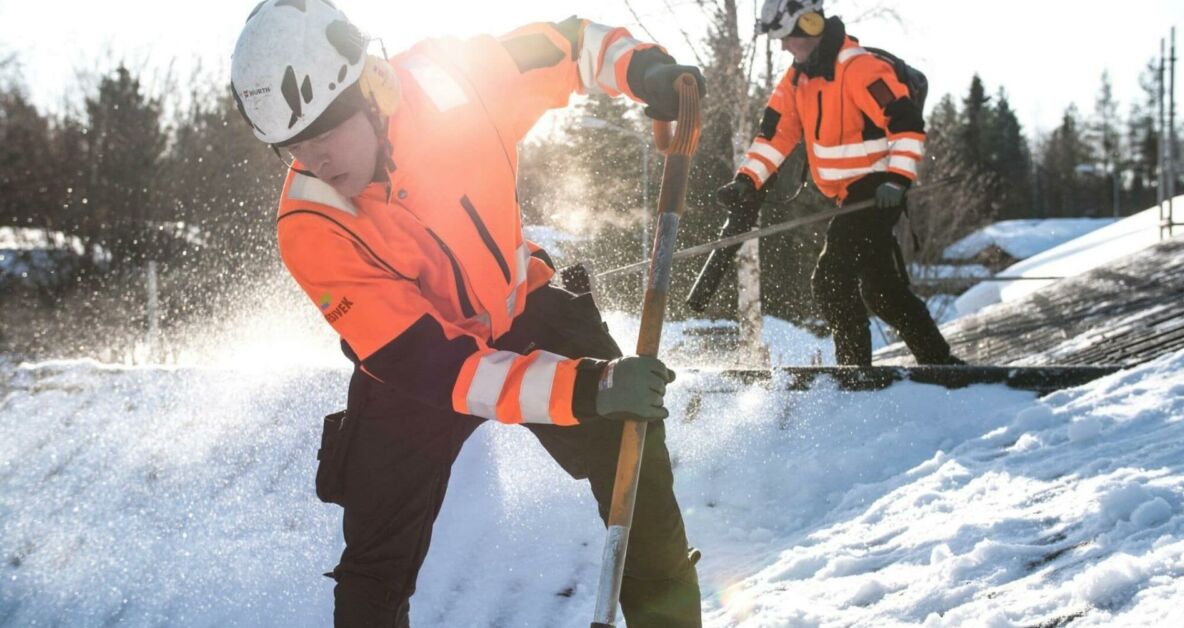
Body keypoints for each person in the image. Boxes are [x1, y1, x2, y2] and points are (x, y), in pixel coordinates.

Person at [229, 2, 704, 626]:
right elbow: (444, 369)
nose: (314, 161)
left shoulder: (455, 79)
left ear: (369, 88)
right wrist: (590, 387)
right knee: (375, 564)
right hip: (415, 369)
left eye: (323, 133)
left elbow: (568, 46)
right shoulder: (311, 225)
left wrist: (643, 69)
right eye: (293, 147)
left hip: (523, 306)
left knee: (634, 461)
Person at [716, 0, 961, 366]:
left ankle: (853, 371)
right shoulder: (796, 79)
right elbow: (775, 137)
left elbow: (907, 126)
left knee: (831, 278)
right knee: (883, 292)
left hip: (877, 191)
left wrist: (897, 179)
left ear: (811, 25)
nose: (782, 47)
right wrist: (747, 180)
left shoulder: (860, 68)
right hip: (849, 197)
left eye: (785, 37)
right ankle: (941, 364)